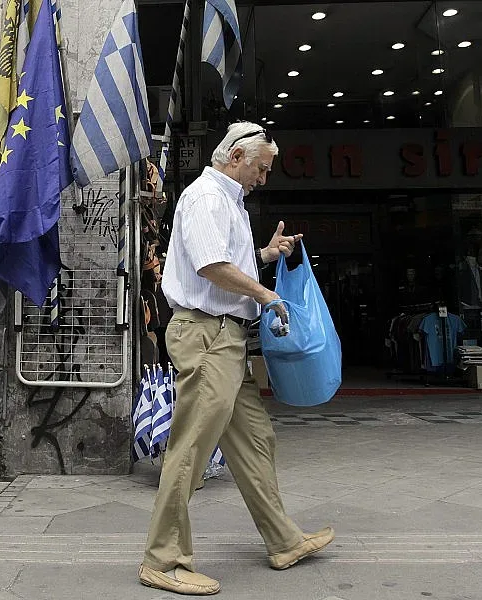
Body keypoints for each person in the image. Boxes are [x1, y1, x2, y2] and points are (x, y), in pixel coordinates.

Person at [138, 122, 334, 596]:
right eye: (261, 168)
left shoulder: (227, 201)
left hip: (224, 338)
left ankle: (283, 540)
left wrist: (265, 253)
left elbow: (222, 265)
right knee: (191, 448)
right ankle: (163, 559)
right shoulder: (207, 196)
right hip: (207, 335)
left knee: (254, 438)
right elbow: (211, 266)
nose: (264, 178)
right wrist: (267, 295)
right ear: (234, 156)